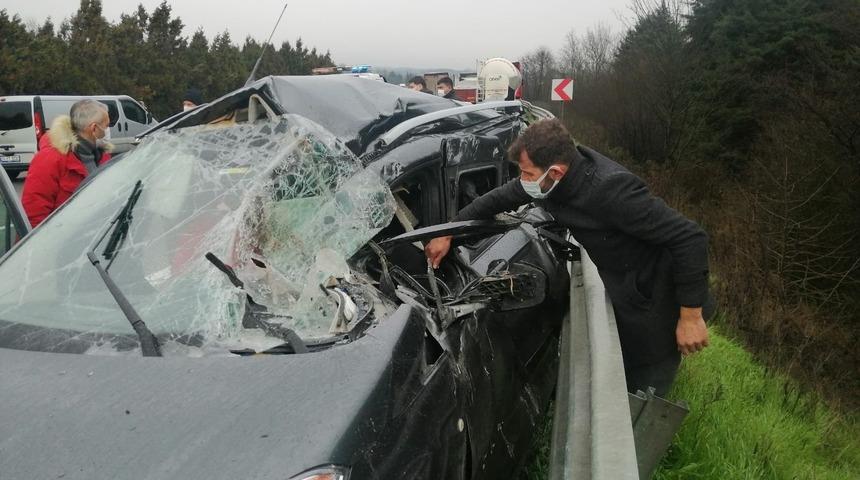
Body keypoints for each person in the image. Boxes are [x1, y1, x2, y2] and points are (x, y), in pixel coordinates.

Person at [425, 119, 712, 396]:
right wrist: (449, 231)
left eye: (527, 174)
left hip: (659, 298)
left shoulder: (611, 190)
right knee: (625, 361)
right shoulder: (549, 180)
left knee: (645, 378)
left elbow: (689, 237)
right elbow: (500, 197)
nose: (523, 181)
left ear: (556, 172)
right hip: (623, 284)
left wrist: (690, 316)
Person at [22, 100, 112, 227]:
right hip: (63, 236)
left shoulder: (102, 156)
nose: (108, 130)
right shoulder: (50, 159)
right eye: (107, 126)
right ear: (94, 128)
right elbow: (34, 215)